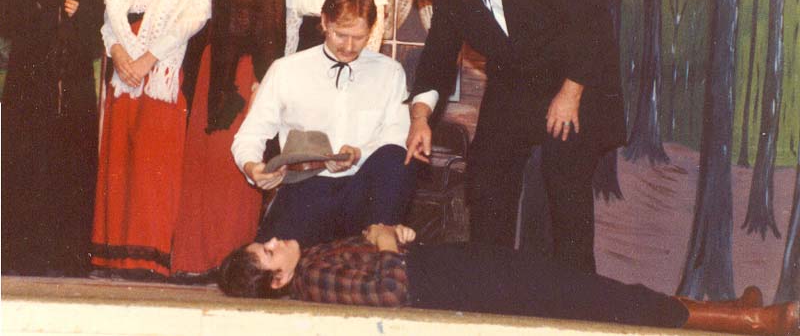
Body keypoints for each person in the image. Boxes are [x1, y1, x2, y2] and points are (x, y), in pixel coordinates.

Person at [405, 0, 626, 274]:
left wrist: (570, 92)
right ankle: (491, 280)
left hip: (574, 77)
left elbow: (593, 22)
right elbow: (438, 56)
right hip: (514, 84)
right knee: (487, 173)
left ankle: (577, 289)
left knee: (565, 177)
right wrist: (420, 117)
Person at [218, 224, 799, 336]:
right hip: (458, 285)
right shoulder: (313, 277)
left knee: (596, 292)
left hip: (456, 271)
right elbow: (392, 290)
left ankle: (726, 309)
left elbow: (378, 259)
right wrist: (389, 243)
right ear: (277, 281)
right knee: (595, 300)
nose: (275, 241)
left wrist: (385, 236)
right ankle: (752, 321)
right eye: (268, 253)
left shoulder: (313, 259)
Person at [91, 0, 212, 279]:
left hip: (164, 57)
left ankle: (147, 256)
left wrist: (149, 58)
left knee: (153, 160)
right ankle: (112, 253)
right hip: (125, 49)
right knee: (120, 157)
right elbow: (113, 2)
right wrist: (120, 51)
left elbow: (196, 12)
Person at [231, 0, 415, 250]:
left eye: (359, 37)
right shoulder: (286, 70)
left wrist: (359, 154)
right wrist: (252, 167)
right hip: (306, 190)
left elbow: (395, 140)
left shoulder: (390, 72)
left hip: (363, 193)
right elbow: (250, 135)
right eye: (341, 35)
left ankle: (382, 246)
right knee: (266, 267)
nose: (349, 46)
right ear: (325, 22)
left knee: (396, 157)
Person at [170, 0, 286, 279]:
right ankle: (194, 259)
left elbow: (273, 34)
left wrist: (263, 86)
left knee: (232, 165)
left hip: (245, 75)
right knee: (201, 165)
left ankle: (228, 260)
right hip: (209, 71)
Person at [0, 0, 106, 276]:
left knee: (70, 168)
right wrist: (43, 2)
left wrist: (79, 13)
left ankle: (66, 258)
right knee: (28, 164)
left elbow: (97, 32)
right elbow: (5, 17)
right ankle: (21, 257)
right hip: (32, 80)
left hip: (73, 83)